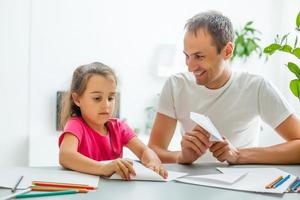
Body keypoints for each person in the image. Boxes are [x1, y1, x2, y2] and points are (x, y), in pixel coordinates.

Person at [148, 11, 300, 165]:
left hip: (241, 184)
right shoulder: (176, 85)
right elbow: (153, 150)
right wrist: (180, 157)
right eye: (187, 56)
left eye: (199, 57)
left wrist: (239, 155)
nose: (190, 67)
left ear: (227, 51)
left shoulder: (256, 87)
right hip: (190, 184)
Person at [59, 62, 167, 180]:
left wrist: (152, 161)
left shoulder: (119, 127)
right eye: (97, 98)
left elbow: (144, 151)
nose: (106, 105)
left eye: (111, 98)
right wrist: (103, 168)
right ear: (77, 99)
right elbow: (65, 156)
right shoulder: (76, 125)